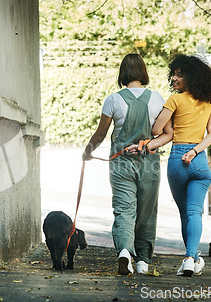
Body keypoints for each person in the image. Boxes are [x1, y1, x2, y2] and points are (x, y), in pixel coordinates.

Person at [82, 54, 173, 275]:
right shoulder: (158, 99)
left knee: (124, 210)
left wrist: (87, 152)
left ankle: (124, 251)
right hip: (149, 163)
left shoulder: (113, 100)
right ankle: (142, 261)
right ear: (143, 72)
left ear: (122, 73)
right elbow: (168, 133)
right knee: (147, 212)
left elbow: (101, 134)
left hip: (121, 164)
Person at [152, 54, 211, 277]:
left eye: (179, 75)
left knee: (185, 215)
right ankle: (192, 258)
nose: (174, 78)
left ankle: (191, 258)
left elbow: (157, 130)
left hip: (178, 160)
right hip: (198, 161)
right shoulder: (208, 103)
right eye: (173, 74)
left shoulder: (174, 100)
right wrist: (196, 150)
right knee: (194, 213)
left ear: (192, 77)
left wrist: (164, 121)